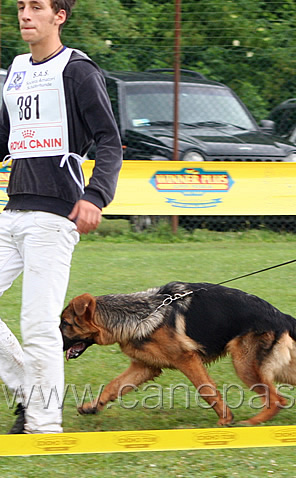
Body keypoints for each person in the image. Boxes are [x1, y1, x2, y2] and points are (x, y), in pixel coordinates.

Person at [0, 0, 122, 433]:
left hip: (54, 220)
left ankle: (44, 427)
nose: (25, 15)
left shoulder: (78, 70)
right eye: (20, 6)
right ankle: (25, 394)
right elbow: (5, 137)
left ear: (60, 16)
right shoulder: (15, 70)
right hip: (12, 213)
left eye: (36, 7)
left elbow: (109, 140)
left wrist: (96, 195)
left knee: (37, 326)